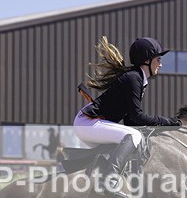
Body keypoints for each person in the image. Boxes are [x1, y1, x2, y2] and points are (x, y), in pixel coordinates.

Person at [73, 36, 180, 189]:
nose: (161, 64)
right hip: (88, 123)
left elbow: (130, 119)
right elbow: (137, 116)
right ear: (147, 60)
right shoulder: (133, 79)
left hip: (90, 123)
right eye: (158, 59)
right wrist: (167, 122)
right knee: (134, 136)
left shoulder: (138, 79)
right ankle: (109, 181)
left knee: (131, 139)